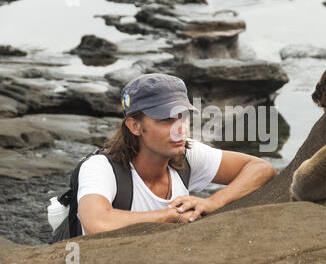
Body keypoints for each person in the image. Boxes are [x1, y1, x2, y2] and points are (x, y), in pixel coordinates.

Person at [77, 73, 278, 235]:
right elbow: (97, 222)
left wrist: (213, 202)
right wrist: (169, 216)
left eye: (183, 117)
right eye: (166, 119)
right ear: (135, 126)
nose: (179, 129)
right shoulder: (100, 168)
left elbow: (262, 169)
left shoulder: (186, 153)